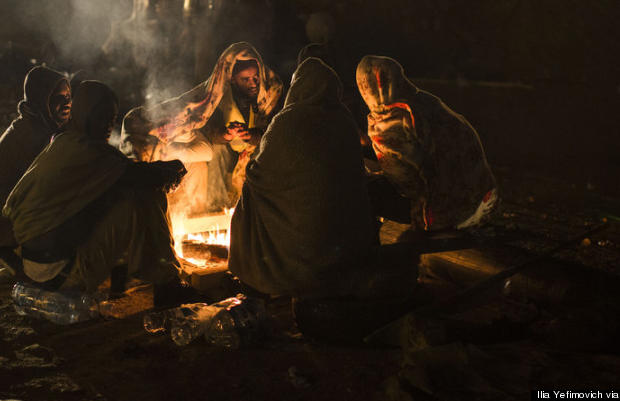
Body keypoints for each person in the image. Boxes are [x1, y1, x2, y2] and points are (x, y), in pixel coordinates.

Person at [3, 80, 200, 306]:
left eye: (111, 118)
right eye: (100, 117)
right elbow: (140, 177)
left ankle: (122, 278)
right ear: (83, 114)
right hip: (61, 273)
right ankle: (167, 285)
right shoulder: (87, 151)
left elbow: (120, 171)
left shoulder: (66, 142)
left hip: (35, 267)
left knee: (120, 194)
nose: (108, 125)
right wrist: (172, 171)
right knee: (146, 195)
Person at [228, 58, 377, 299]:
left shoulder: (287, 121)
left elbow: (257, 174)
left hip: (301, 237)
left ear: (297, 87)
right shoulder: (345, 121)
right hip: (345, 244)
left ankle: (259, 278)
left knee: (248, 198)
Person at [121, 42, 283, 215]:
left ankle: (252, 211)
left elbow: (273, 133)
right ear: (233, 80)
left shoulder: (271, 93)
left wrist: (250, 135)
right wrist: (226, 134)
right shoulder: (218, 96)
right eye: (246, 79)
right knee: (215, 154)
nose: (253, 84)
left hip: (257, 147)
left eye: (256, 78)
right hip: (226, 148)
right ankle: (215, 209)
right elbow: (207, 131)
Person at [356, 55, 498, 231]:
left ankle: (370, 247)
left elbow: (405, 184)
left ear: (365, 88)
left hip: (447, 211)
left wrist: (372, 175)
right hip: (480, 198)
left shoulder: (391, 120)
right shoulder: (425, 101)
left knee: (359, 191)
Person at [0, 66, 71, 275]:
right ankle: (17, 254)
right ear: (41, 99)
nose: (67, 103)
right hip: (2, 231)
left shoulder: (35, 124)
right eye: (57, 97)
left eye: (68, 96)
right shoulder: (34, 136)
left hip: (1, 226)